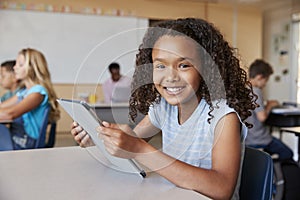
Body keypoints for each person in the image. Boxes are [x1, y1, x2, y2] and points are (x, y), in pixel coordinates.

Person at [71, 18, 257, 199]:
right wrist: (99, 137)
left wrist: (139, 148)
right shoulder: (163, 107)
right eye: (160, 66)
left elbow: (221, 188)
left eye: (183, 65)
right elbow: (132, 140)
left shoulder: (223, 117)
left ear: (206, 69)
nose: (170, 77)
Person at [0, 48, 60, 150]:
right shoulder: (23, 92)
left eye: (20, 64)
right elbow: (2, 107)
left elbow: (10, 114)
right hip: (15, 138)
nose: (15, 68)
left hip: (24, 143)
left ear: (32, 68)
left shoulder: (38, 93)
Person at [246, 59, 294, 160]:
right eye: (266, 80)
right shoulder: (255, 90)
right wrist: (270, 105)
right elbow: (262, 117)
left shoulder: (243, 88)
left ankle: (268, 160)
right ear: (259, 77)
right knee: (288, 153)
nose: (265, 84)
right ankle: (271, 165)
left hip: (246, 139)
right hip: (258, 139)